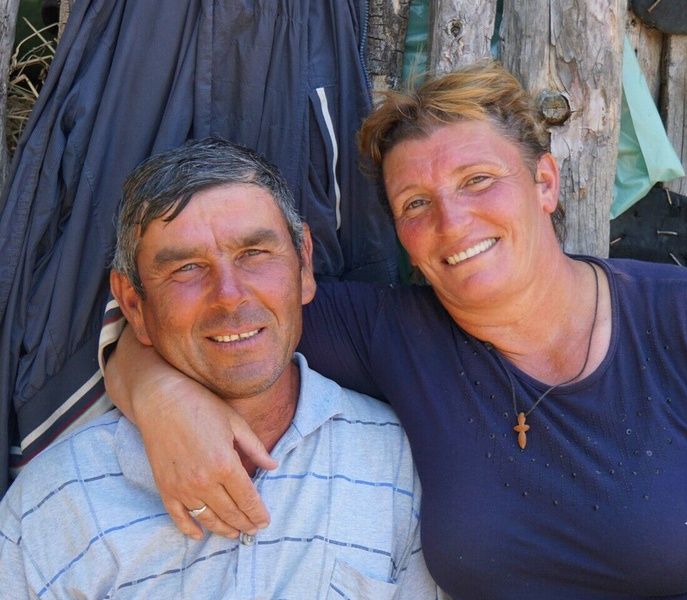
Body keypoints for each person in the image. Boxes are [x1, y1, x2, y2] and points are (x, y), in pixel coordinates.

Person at [105, 63, 687, 598]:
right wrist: (162, 398)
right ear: (402, 234)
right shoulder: (390, 337)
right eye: (416, 202)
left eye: (478, 181)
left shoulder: (685, 323)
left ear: (546, 184)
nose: (453, 221)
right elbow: (205, 320)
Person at [0, 139, 437, 599]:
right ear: (133, 303)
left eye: (254, 254)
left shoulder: (397, 463)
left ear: (304, 262)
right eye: (187, 268)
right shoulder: (54, 503)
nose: (230, 295)